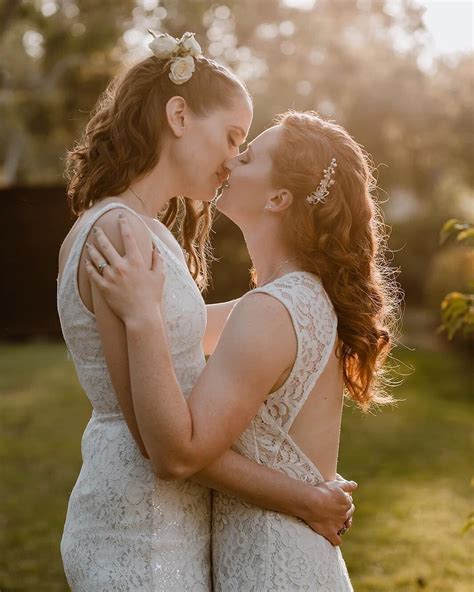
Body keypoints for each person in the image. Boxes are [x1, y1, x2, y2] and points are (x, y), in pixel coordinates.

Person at [57, 31, 356, 591]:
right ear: (178, 115)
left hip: (170, 516)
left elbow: (219, 328)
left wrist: (306, 292)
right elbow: (159, 441)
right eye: (232, 136)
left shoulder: (147, 229)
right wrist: (305, 497)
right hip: (142, 524)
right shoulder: (120, 231)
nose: (233, 158)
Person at [86, 109, 400, 591]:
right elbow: (189, 330)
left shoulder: (271, 310)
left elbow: (179, 455)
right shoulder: (294, 297)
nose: (230, 161)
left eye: (248, 156)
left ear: (278, 198)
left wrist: (144, 315)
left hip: (271, 567)